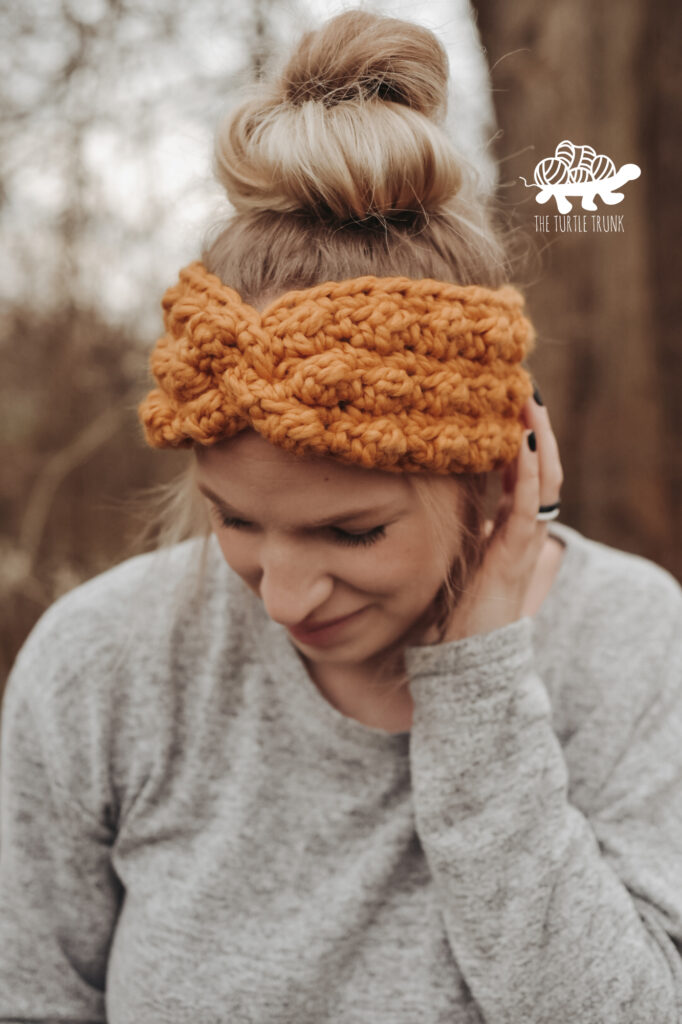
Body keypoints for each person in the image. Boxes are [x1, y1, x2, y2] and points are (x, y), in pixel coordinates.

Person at [1, 8, 681, 1023]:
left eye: (348, 531)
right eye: (235, 519)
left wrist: (480, 691)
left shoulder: (632, 642)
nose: (282, 595)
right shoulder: (106, 660)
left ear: (497, 467)